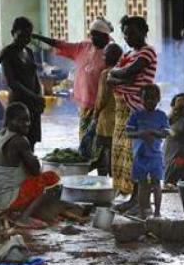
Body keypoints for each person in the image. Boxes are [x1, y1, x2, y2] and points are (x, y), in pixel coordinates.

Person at [0, 102, 62, 228]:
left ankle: (19, 211)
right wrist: (32, 158)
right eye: (21, 120)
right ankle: (24, 218)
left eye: (27, 120)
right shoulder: (19, 141)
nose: (26, 124)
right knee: (51, 180)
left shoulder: (2, 134)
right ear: (10, 121)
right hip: (0, 201)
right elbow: (36, 171)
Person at [33, 17, 114, 141]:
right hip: (85, 103)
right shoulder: (84, 46)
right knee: (85, 137)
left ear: (105, 36)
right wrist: (37, 37)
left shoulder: (111, 51)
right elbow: (61, 44)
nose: (92, 38)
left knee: (101, 138)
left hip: (104, 106)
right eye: (91, 35)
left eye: (95, 35)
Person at [109, 16, 158, 210]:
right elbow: (116, 72)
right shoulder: (129, 52)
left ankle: (139, 200)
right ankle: (134, 199)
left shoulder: (148, 52)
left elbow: (127, 72)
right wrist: (120, 77)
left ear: (144, 32)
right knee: (125, 157)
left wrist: (118, 78)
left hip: (137, 109)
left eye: (133, 33)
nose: (128, 37)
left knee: (137, 156)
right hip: (123, 112)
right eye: (126, 34)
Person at [125, 85, 170, 218]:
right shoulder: (136, 115)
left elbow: (166, 132)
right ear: (141, 99)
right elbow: (128, 132)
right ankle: (142, 210)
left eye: (153, 99)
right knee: (142, 185)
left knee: (156, 184)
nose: (149, 102)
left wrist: (153, 132)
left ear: (158, 99)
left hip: (155, 156)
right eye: (146, 98)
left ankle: (157, 212)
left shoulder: (161, 116)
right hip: (139, 155)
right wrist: (141, 133)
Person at [0, 17, 45, 145]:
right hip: (18, 104)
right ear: (13, 33)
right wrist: (35, 97)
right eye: (22, 35)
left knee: (31, 140)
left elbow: (35, 77)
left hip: (33, 104)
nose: (26, 39)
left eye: (28, 36)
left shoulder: (29, 52)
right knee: (15, 141)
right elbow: (12, 83)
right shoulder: (7, 53)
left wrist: (40, 97)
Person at [92, 43, 123, 176]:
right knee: (115, 155)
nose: (102, 58)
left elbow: (102, 98)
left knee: (100, 155)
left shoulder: (106, 74)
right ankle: (114, 182)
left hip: (106, 122)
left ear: (108, 57)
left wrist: (95, 114)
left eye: (104, 55)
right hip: (119, 119)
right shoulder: (124, 72)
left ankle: (102, 183)